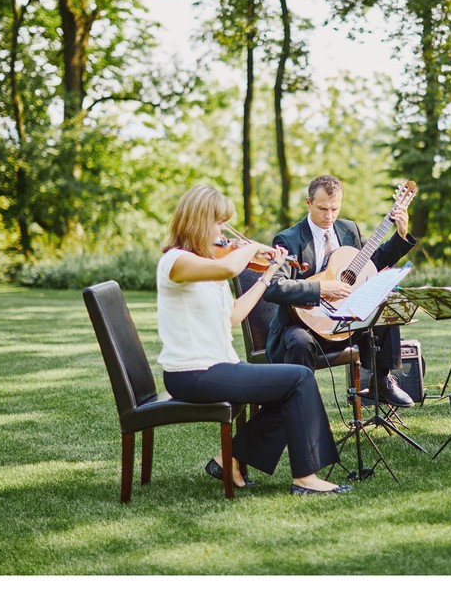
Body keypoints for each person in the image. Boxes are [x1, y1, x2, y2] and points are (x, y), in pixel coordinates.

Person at [156, 184, 351, 495]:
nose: (222, 231)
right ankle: (306, 478)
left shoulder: (205, 265)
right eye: (219, 223)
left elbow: (233, 316)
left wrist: (267, 274)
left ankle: (229, 459)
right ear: (199, 221)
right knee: (300, 377)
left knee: (292, 387)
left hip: (216, 367)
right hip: (192, 373)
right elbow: (229, 267)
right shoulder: (176, 261)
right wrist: (251, 247)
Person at [263, 175, 417, 408]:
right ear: (308, 203)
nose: (329, 216)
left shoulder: (349, 230)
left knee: (384, 307)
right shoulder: (289, 239)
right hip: (306, 326)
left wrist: (401, 235)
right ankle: (300, 402)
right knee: (299, 341)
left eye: (334, 209)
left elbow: (373, 262)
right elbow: (274, 286)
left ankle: (382, 380)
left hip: (345, 323)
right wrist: (321, 287)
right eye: (322, 208)